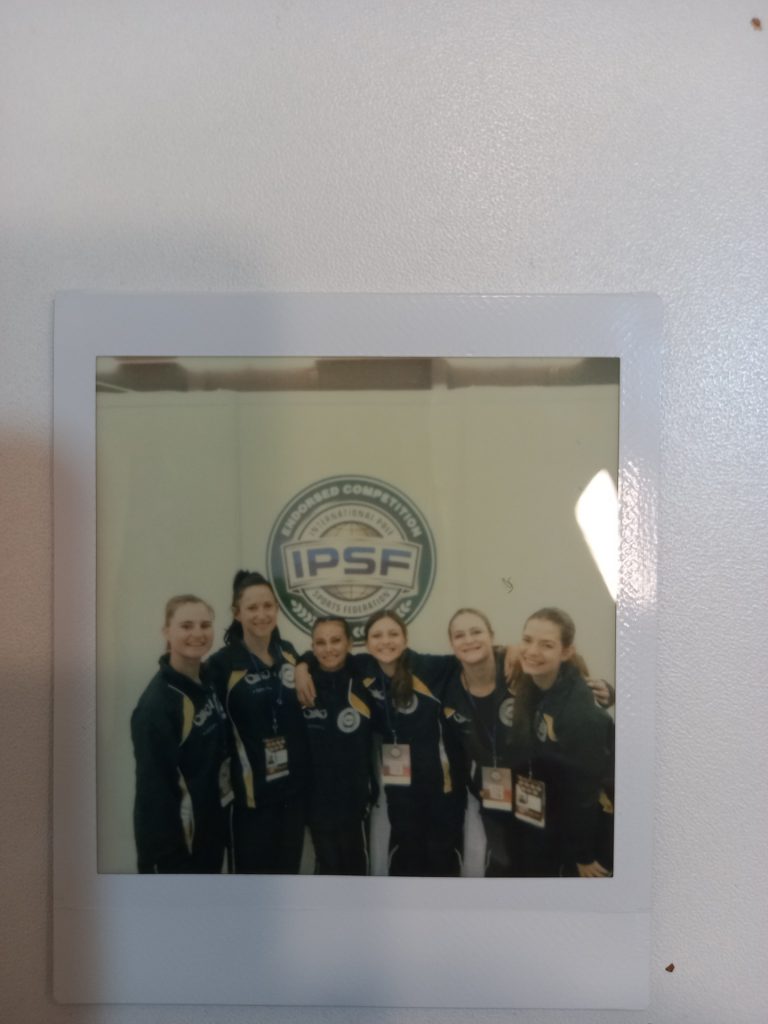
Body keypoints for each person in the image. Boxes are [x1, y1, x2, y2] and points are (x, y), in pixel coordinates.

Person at [207, 570, 309, 874]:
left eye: (268, 606)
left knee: (288, 879)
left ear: (277, 609)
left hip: (293, 795)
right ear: (237, 613)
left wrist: (304, 665)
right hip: (251, 800)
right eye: (252, 607)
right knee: (252, 886)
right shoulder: (221, 665)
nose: (261, 614)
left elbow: (312, 660)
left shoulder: (288, 653)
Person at [510, 607, 614, 877]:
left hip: (589, 832)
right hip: (550, 816)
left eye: (546, 645)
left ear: (566, 652)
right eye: (527, 640)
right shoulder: (535, 685)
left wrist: (583, 855)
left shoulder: (579, 712)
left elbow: (584, 793)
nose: (532, 651)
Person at [131, 594, 231, 873]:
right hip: (178, 850)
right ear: (167, 632)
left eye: (205, 625)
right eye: (186, 626)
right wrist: (167, 858)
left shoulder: (207, 679)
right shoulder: (157, 706)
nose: (197, 634)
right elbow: (153, 794)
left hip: (209, 831)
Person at [443, 608, 525, 876]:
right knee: (500, 867)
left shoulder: (519, 668)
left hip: (535, 792)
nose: (468, 640)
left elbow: (565, 672)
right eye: (459, 635)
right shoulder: (449, 688)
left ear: (492, 636)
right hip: (491, 793)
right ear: (452, 644)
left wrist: (606, 691)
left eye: (476, 632)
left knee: (537, 867)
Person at [300, 616, 375, 874]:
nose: (328, 648)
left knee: (356, 867)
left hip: (355, 799)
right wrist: (302, 667)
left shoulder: (364, 675)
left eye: (336, 640)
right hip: (316, 799)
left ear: (349, 643)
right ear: (312, 647)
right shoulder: (304, 685)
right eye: (320, 642)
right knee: (327, 865)